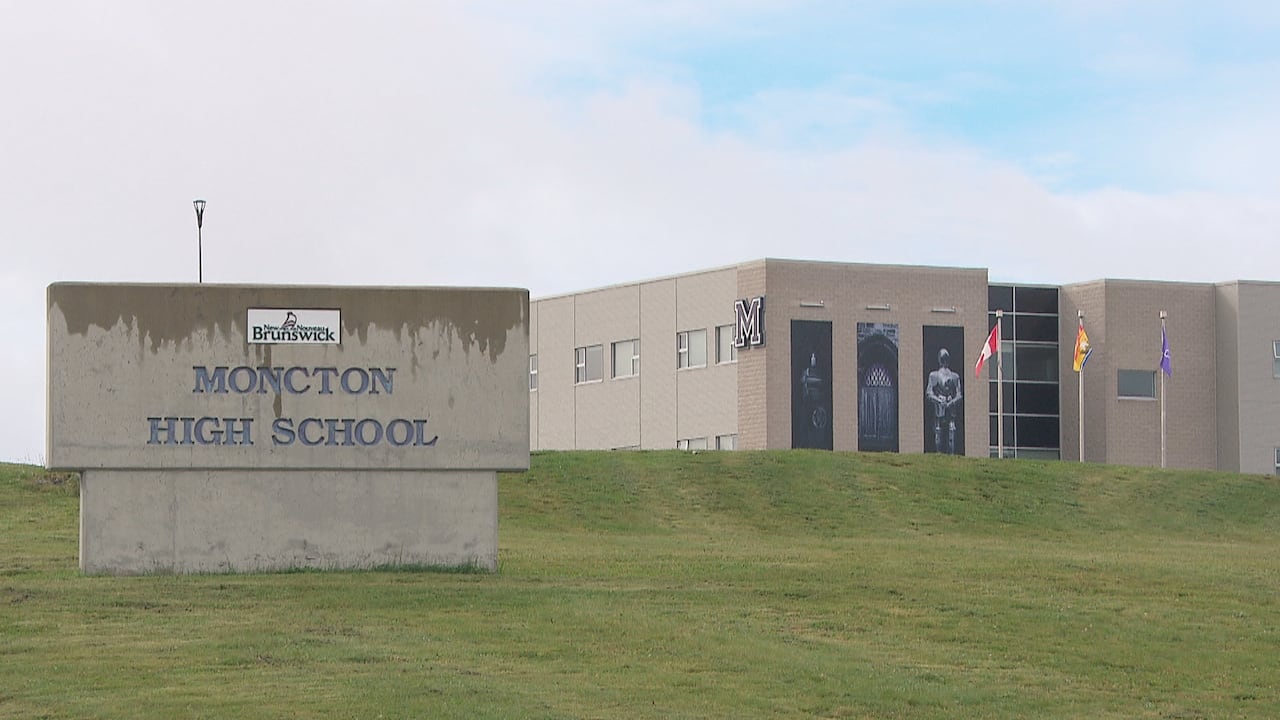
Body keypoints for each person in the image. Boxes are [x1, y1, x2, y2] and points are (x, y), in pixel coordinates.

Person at [926, 348, 962, 454]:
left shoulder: (955, 376)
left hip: (950, 405)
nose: (944, 361)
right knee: (938, 429)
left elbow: (959, 394)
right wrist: (938, 400)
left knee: (952, 429)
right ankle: (939, 452)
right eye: (943, 359)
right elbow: (929, 393)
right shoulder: (934, 375)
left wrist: (952, 402)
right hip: (940, 405)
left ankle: (951, 452)